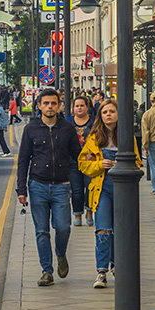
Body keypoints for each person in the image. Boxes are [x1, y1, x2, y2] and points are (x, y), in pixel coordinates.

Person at [16, 88, 81, 286]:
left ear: (60, 106)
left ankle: (61, 254)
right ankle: (47, 271)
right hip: (38, 186)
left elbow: (78, 155)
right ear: (39, 106)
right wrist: (21, 190)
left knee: (63, 227)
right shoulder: (31, 129)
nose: (50, 107)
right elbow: (23, 160)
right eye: (46, 103)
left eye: (54, 103)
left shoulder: (67, 129)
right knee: (42, 231)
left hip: (61, 185)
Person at [78, 99, 141, 289]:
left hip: (123, 190)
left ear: (118, 114)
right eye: (105, 112)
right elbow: (83, 164)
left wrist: (123, 165)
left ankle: (117, 265)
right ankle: (101, 271)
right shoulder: (94, 137)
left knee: (119, 231)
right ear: (100, 116)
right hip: (102, 189)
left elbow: (137, 163)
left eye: (112, 111)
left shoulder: (127, 137)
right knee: (103, 230)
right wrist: (99, 164)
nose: (108, 115)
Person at [69, 96, 94, 226]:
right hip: (73, 162)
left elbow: (100, 140)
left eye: (82, 105)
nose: (79, 108)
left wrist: (93, 154)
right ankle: (77, 214)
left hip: (90, 162)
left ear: (87, 107)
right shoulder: (68, 123)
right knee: (77, 190)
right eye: (77, 106)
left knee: (90, 188)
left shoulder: (94, 122)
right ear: (73, 108)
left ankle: (89, 212)